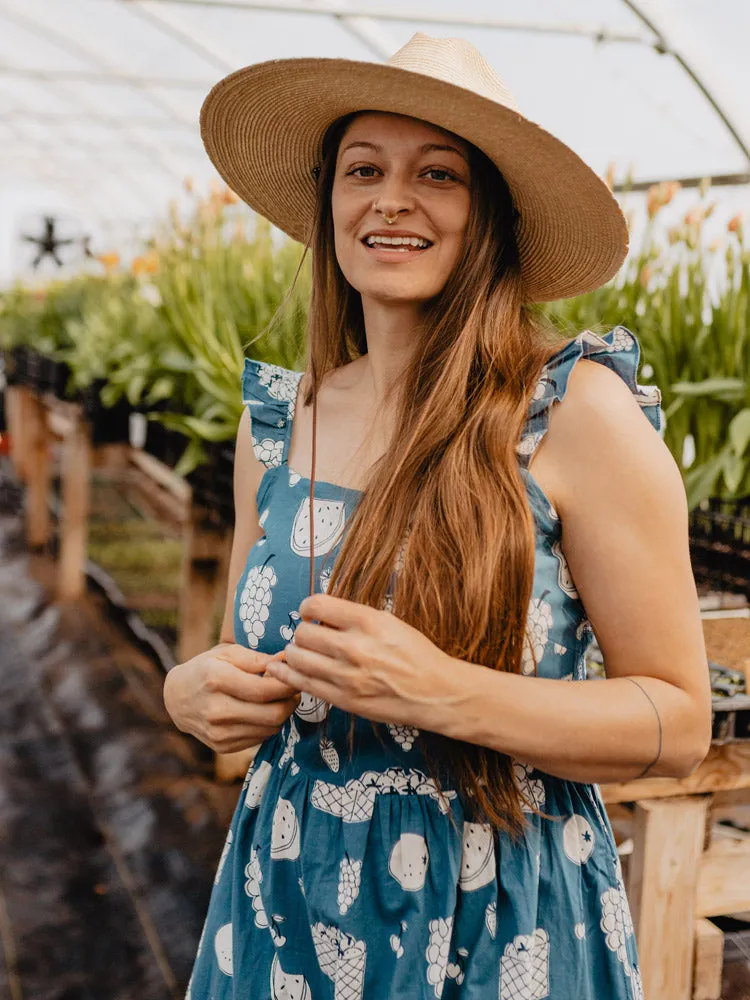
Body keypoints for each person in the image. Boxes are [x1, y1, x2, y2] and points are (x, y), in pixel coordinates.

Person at [164, 33, 712, 1000]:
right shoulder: (280, 426)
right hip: (287, 895)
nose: (392, 199)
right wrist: (192, 694)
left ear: (488, 213)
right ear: (329, 202)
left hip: (496, 905)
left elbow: (675, 721)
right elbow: (243, 671)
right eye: (363, 169)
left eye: (438, 173)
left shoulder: (572, 413)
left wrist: (441, 691)